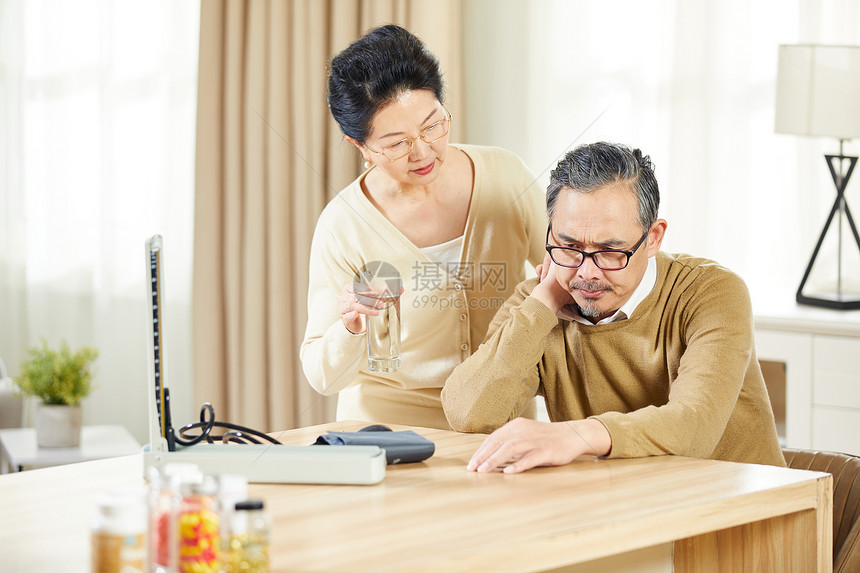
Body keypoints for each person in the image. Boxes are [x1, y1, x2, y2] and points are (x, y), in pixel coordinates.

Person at [441, 142, 785, 472]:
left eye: (610, 252)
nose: (587, 273)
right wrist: (544, 302)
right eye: (569, 245)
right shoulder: (541, 301)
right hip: (628, 508)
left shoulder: (711, 292)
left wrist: (576, 435)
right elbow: (468, 413)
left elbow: (696, 426)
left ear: (653, 238)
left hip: (742, 516)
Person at [301, 25, 547, 429]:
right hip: (391, 434)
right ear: (358, 145)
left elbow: (568, 267)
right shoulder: (342, 224)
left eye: (433, 125)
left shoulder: (505, 176)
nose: (422, 151)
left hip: (503, 424)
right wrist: (350, 326)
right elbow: (322, 376)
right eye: (396, 143)